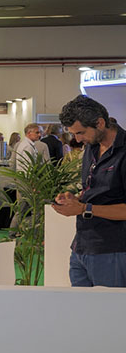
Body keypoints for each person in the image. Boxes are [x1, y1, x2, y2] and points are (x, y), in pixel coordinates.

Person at [53, 95, 126, 287]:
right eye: (73, 134)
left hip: (112, 250)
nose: (77, 139)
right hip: (81, 247)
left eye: (81, 133)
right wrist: (74, 199)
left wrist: (84, 208)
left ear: (100, 123)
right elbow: (94, 191)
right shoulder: (91, 148)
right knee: (79, 306)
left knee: (108, 306)